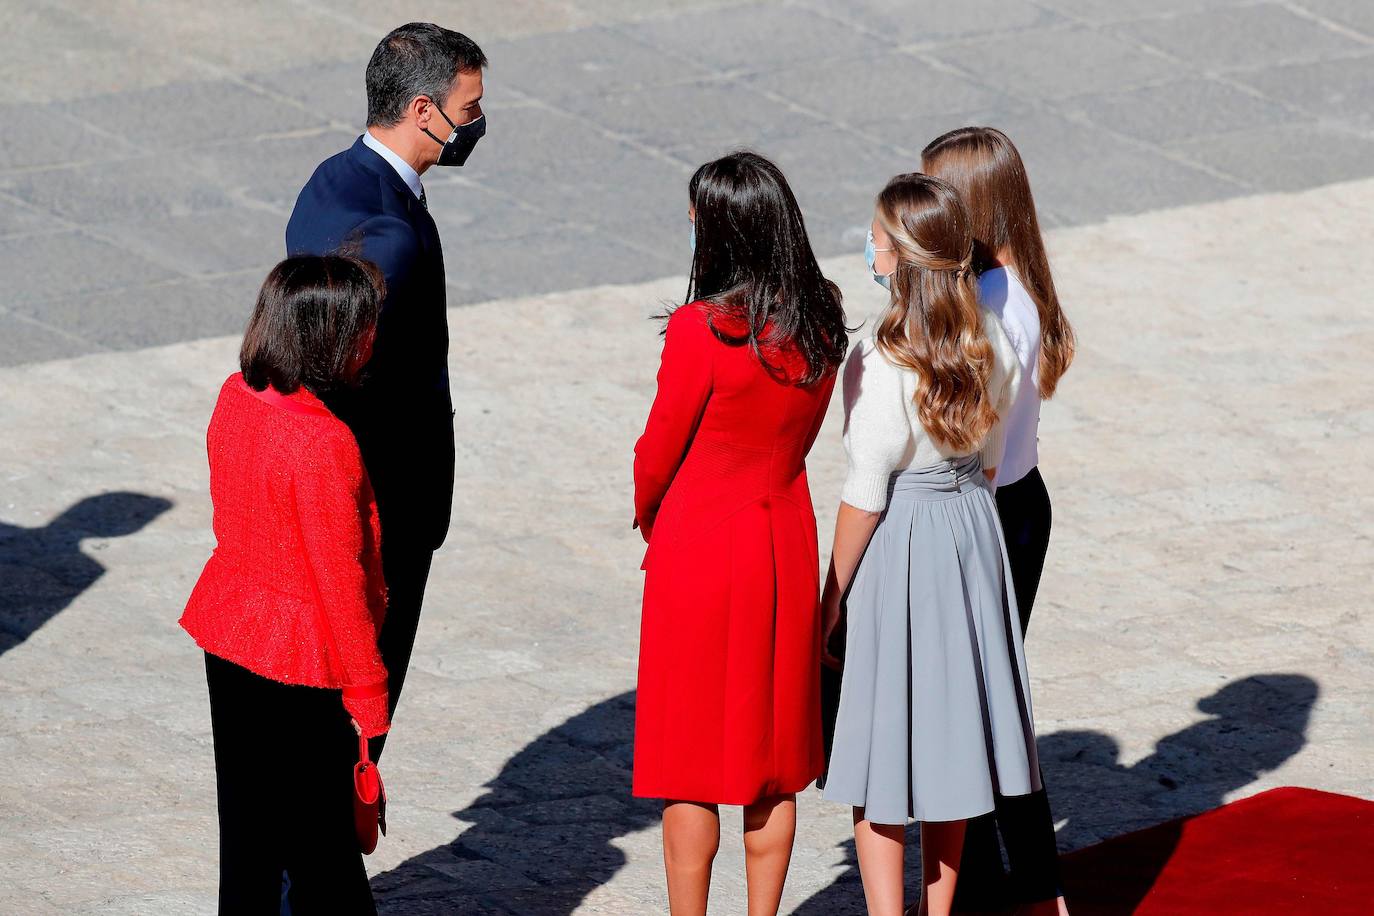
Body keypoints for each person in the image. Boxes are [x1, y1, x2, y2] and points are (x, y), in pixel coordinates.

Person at [632, 151, 849, 916]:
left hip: (700, 548)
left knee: (688, 764)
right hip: (783, 540)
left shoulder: (701, 332)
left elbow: (657, 453)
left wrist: (652, 514)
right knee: (771, 762)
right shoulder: (822, 318)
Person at [819, 174, 1035, 916]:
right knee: (952, 745)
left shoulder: (880, 362)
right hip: (972, 531)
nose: (868, 247)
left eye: (877, 238)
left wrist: (832, 595)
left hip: (902, 543)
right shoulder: (991, 342)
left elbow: (864, 494)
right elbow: (996, 461)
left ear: (901, 259)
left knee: (884, 752)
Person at [285, 22, 487, 757]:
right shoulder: (385, 236)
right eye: (469, 108)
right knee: (362, 697)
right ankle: (321, 864)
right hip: (383, 501)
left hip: (365, 494)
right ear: (424, 109)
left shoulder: (334, 179)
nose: (475, 124)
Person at [180, 255, 389, 915]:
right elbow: (339, 583)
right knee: (324, 858)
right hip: (298, 661)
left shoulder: (234, 395)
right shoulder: (324, 443)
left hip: (229, 631)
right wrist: (369, 692)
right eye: (366, 327)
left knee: (246, 840)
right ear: (332, 338)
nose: (373, 338)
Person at [922, 126, 1076, 916]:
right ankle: (1020, 885)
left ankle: (997, 887)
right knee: (991, 707)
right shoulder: (1025, 286)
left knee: (974, 716)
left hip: (988, 514)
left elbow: (966, 448)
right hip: (1024, 503)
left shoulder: (983, 309)